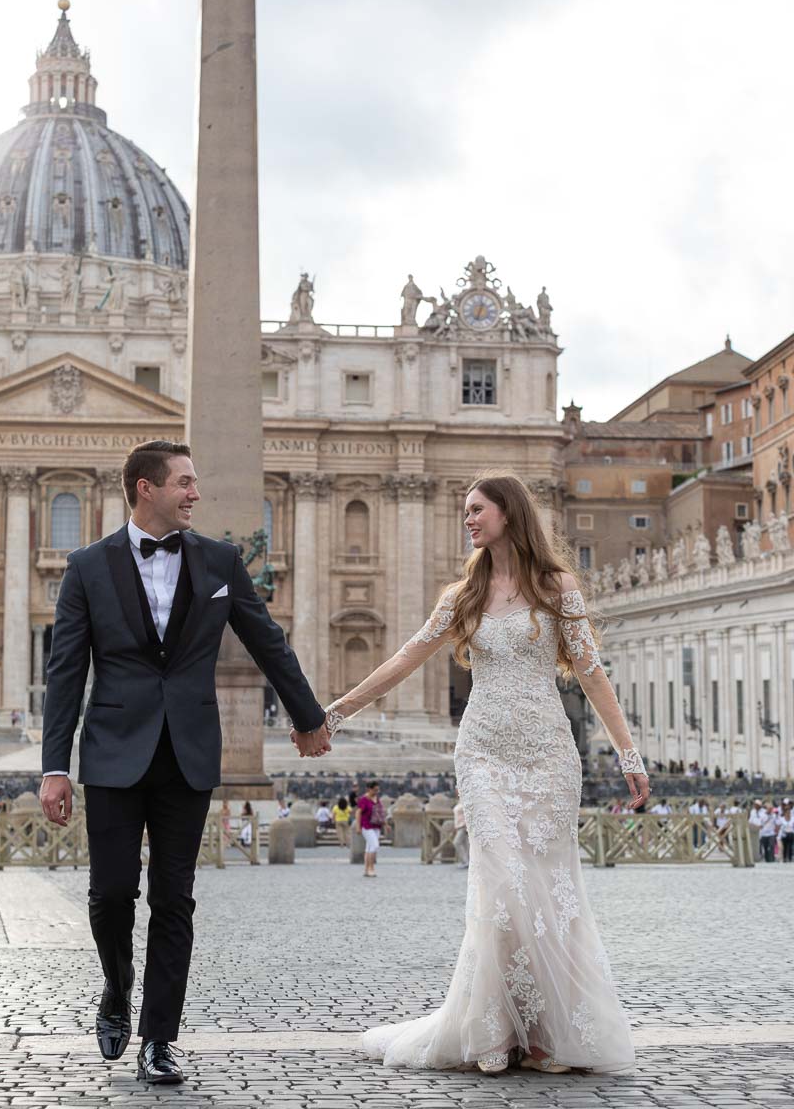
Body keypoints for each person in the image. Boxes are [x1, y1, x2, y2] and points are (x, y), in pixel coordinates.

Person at [297, 470, 649, 1074]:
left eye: (476, 509)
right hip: (483, 752)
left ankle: (543, 1032)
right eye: (465, 510)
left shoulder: (557, 586)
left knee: (547, 888)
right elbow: (405, 658)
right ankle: (494, 1027)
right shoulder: (461, 596)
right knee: (503, 886)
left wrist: (627, 750)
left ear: (508, 513)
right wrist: (334, 712)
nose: (467, 518)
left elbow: (591, 672)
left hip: (547, 754)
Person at [38, 440, 328, 1085]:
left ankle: (158, 1038)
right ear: (146, 488)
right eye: (185, 483)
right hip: (113, 751)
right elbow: (65, 673)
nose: (196, 492)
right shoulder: (87, 566)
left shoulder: (221, 560)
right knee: (111, 894)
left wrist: (309, 716)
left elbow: (266, 640)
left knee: (176, 901)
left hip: (190, 752)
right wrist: (54, 764)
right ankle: (117, 987)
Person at [356, 780, 386, 876]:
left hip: (376, 825)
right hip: (367, 826)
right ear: (369, 789)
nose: (376, 792)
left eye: (378, 790)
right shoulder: (363, 799)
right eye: (375, 790)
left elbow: (379, 812)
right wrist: (358, 827)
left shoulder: (377, 798)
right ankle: (371, 868)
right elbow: (358, 813)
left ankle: (366, 870)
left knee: (369, 848)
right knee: (375, 846)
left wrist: (385, 824)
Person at [453, 798, 469, 868]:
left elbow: (467, 813)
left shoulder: (466, 800)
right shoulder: (459, 800)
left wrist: (466, 824)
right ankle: (467, 861)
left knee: (456, 842)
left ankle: (465, 860)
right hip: (459, 826)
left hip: (463, 825)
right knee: (466, 844)